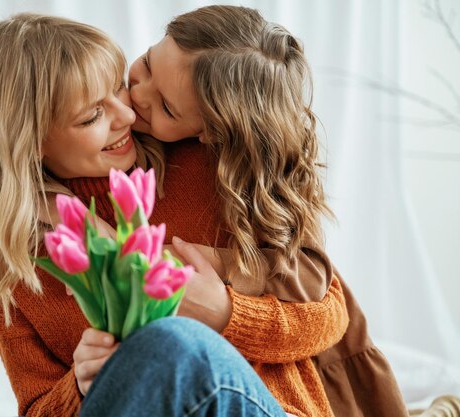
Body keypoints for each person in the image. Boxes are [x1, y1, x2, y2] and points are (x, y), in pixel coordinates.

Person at [0, 13, 290, 417]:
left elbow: (330, 316)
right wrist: (81, 386)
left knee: (171, 341)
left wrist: (226, 314)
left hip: (256, 405)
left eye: (118, 85)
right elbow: (36, 408)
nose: (129, 116)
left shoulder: (203, 164)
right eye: (91, 115)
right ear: (30, 143)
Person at [123, 5, 408, 417]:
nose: (137, 94)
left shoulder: (237, 179)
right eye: (147, 63)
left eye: (167, 108)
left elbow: (316, 286)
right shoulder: (103, 119)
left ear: (211, 131)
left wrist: (220, 270)